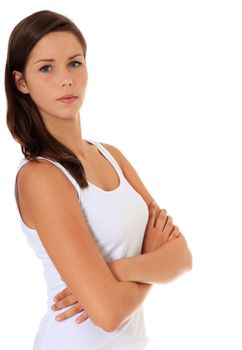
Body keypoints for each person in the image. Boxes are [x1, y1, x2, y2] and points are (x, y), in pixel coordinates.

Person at [5, 9, 192, 350]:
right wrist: (150, 260)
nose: (66, 79)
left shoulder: (111, 156)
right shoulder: (41, 176)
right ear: (21, 82)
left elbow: (182, 258)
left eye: (74, 63)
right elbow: (107, 313)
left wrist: (115, 271)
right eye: (46, 68)